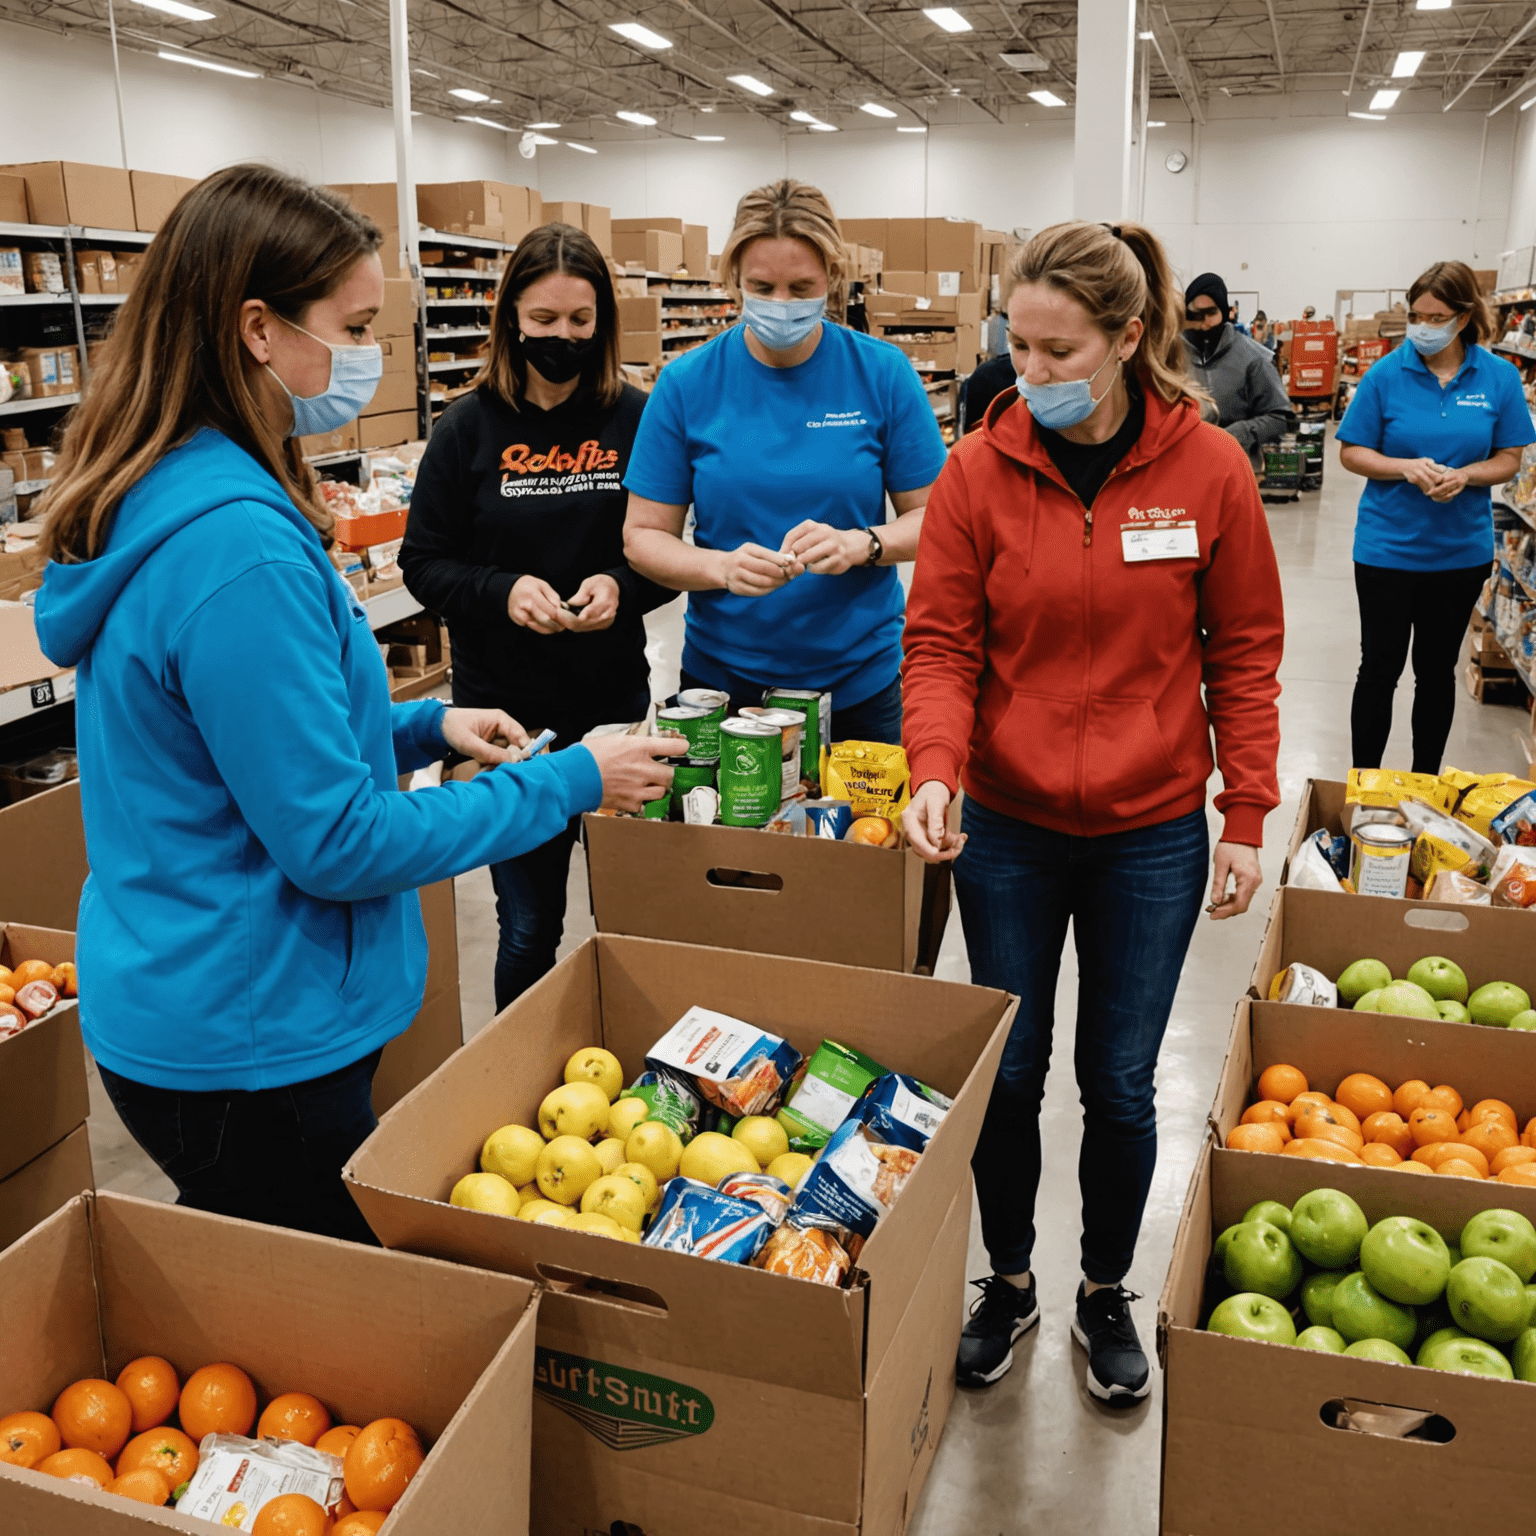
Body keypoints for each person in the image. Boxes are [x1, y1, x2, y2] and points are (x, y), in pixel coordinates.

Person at [31, 166, 676, 1243]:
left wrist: (424, 725)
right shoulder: (236, 550)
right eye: (356, 325)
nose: (368, 356)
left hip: (197, 988)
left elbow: (237, 745)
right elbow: (333, 838)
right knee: (318, 1340)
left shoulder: (171, 489)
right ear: (257, 331)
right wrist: (570, 778)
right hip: (250, 1032)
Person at [901, 220, 1284, 1403]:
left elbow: (1248, 650)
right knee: (1009, 1074)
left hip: (1150, 831)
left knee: (1118, 1080)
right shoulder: (979, 467)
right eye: (1019, 347)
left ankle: (1104, 1290)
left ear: (1129, 339)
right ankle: (1009, 1281)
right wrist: (933, 764)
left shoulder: (1207, 469)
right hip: (1005, 824)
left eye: (1060, 351)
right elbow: (942, 643)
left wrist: (1248, 810)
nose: (1035, 375)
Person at [400, 224, 674, 1010]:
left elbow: (670, 550)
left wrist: (625, 586)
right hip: (509, 725)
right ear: (510, 318)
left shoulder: (636, 420)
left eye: (580, 322)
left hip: (614, 708)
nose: (562, 338)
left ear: (603, 322)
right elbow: (424, 562)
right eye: (544, 320)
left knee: (637, 913)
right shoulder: (465, 431)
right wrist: (502, 589)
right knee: (529, 926)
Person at [623, 179, 949, 744]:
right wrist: (719, 568)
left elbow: (939, 519)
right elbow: (644, 535)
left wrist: (863, 544)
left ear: (832, 281)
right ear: (733, 282)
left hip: (858, 686)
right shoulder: (686, 385)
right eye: (761, 286)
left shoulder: (883, 374)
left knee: (863, 834)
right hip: (725, 688)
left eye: (801, 287)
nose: (780, 304)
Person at [1337, 260, 1532, 772]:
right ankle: (1365, 783)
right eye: (1416, 315)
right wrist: (1403, 467)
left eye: (1436, 316)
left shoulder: (1499, 378)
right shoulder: (1384, 375)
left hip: (1459, 554)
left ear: (1464, 316)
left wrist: (1466, 475)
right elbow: (1353, 451)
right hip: (1386, 550)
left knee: (1435, 672)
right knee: (1378, 669)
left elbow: (1509, 459)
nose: (1423, 327)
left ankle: (1425, 785)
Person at [1182, 272, 1291, 467]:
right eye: (1196, 314)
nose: (1204, 323)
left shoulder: (1254, 358)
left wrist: (1235, 435)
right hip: (1185, 470)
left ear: (1224, 312)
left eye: (1211, 313)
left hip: (1235, 468)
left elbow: (1279, 418)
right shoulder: (1170, 356)